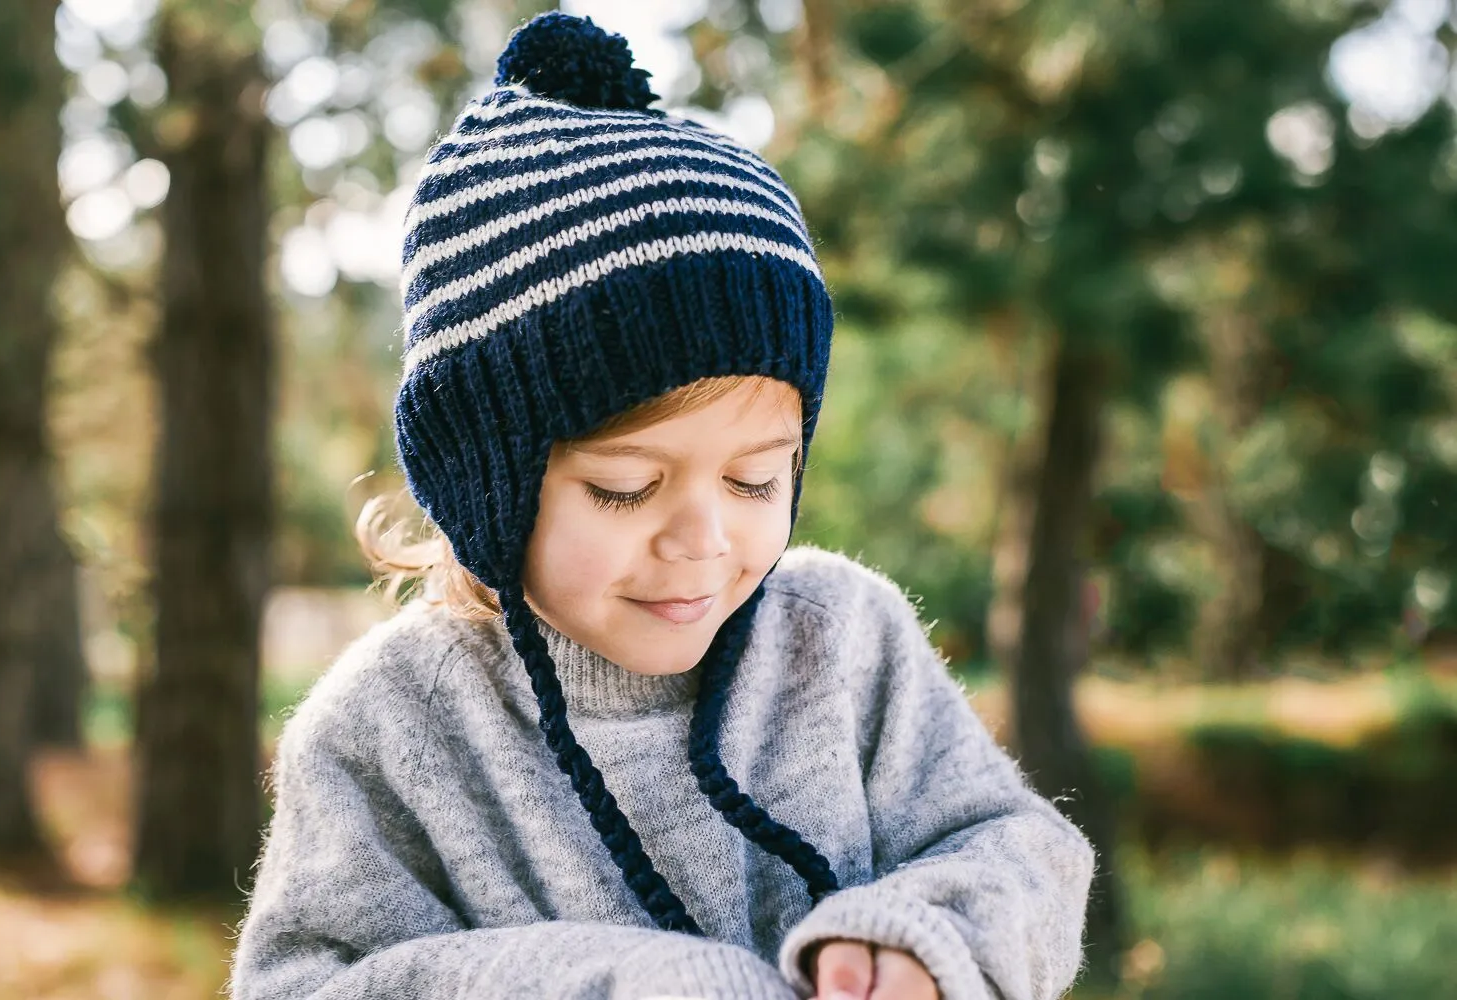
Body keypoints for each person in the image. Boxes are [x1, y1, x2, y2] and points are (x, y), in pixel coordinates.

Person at [230, 12, 1094, 1000]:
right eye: (626, 487)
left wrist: (926, 943)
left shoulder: (842, 643)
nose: (705, 538)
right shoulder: (389, 727)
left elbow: (1020, 848)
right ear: (483, 479)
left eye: (757, 478)